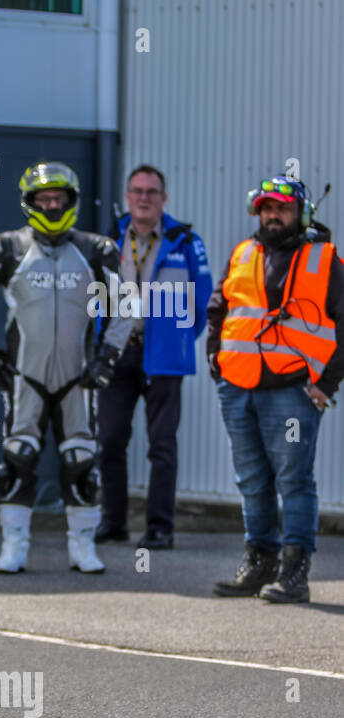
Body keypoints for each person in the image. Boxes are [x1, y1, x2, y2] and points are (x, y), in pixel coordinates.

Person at [0, 161, 132, 574]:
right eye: (44, 199)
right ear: (29, 202)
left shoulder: (96, 249)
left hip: (79, 375)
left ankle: (82, 546)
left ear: (72, 201)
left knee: (82, 460)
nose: (52, 205)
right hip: (23, 377)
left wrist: (107, 358)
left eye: (59, 198)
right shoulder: (7, 246)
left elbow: (125, 305)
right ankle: (14, 545)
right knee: (17, 457)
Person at [208, 176, 344, 604]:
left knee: (293, 480)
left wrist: (326, 382)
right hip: (238, 387)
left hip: (293, 392)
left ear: (301, 213)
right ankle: (259, 563)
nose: (272, 215)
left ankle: (294, 574)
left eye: (282, 208)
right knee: (251, 480)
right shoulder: (242, 253)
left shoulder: (325, 260)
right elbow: (219, 309)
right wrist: (217, 361)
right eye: (266, 208)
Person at [98, 164, 213, 549]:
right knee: (111, 440)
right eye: (137, 191)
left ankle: (160, 528)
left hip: (163, 357)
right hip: (118, 355)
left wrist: (182, 339)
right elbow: (92, 294)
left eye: (152, 191)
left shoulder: (185, 241)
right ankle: (112, 523)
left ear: (164, 198)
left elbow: (204, 302)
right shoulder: (109, 238)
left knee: (162, 444)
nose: (144, 198)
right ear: (128, 197)